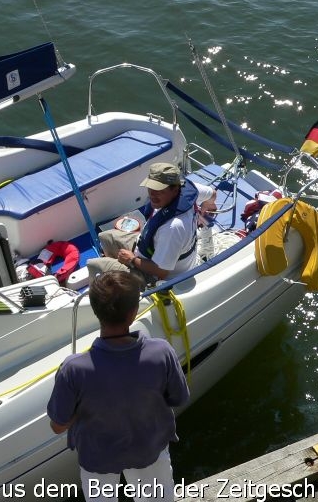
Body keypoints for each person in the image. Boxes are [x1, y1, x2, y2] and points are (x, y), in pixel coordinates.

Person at [47, 271, 190, 502]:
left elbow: (58, 425)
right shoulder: (161, 352)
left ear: (96, 311)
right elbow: (179, 398)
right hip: (149, 450)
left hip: (97, 457)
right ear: (133, 313)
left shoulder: (72, 369)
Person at [87, 162, 216, 285]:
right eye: (151, 187)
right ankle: (118, 275)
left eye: (159, 190)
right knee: (105, 237)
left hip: (156, 275)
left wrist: (132, 259)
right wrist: (208, 205)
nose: (152, 195)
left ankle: (112, 288)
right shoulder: (189, 189)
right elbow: (212, 194)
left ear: (175, 189)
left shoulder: (172, 228)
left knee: (93, 265)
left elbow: (162, 272)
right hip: (146, 248)